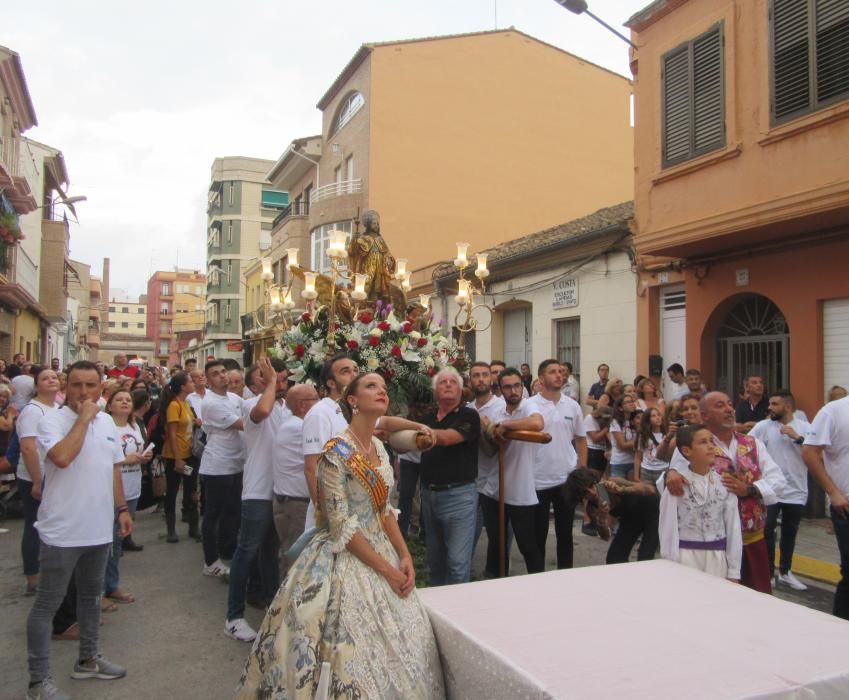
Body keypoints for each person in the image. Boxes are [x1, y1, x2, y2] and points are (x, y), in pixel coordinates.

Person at [237, 372, 445, 698]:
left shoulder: (377, 446)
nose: (382, 392)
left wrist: (403, 555)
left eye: (384, 388)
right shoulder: (335, 452)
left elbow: (385, 511)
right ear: (352, 400)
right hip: (347, 556)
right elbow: (342, 527)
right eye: (371, 386)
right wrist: (388, 570)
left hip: (384, 551)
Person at [26, 361, 131, 700]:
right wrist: (84, 419)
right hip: (63, 531)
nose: (83, 392)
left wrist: (122, 509)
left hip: (99, 529)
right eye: (76, 385)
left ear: (101, 387)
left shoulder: (105, 422)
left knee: (90, 598)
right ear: (64, 387)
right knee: (47, 605)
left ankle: (88, 659)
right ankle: (38, 682)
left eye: (90, 385)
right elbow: (61, 457)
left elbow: (114, 465)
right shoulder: (51, 421)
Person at [666, 392, 786, 593]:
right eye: (720, 405)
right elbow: (674, 480)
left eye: (730, 404)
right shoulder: (695, 445)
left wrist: (749, 489)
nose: (729, 409)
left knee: (757, 598)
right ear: (705, 416)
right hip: (715, 546)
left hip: (751, 539)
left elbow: (779, 481)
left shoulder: (753, 444)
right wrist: (671, 473)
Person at [225, 358, 288, 643]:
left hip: (278, 491)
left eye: (279, 376)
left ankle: (273, 605)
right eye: (268, 377)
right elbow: (263, 410)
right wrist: (272, 383)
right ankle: (234, 617)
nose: (277, 379)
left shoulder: (284, 408)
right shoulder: (252, 404)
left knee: (269, 554)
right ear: (254, 385)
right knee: (246, 552)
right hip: (257, 492)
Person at [481, 368, 545, 575]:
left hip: (520, 490)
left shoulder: (529, 405)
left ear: (522, 387)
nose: (513, 390)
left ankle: (538, 585)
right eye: (507, 387)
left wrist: (505, 426)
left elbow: (537, 423)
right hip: (494, 489)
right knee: (496, 543)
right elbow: (491, 449)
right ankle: (496, 583)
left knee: (527, 544)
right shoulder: (495, 411)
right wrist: (491, 430)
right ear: (500, 389)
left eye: (517, 385)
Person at [420, 367, 480, 585]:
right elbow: (403, 447)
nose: (447, 384)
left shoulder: (469, 416)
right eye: (442, 382)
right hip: (429, 495)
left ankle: (459, 610)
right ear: (435, 391)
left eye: (452, 382)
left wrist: (413, 433)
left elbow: (447, 438)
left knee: (457, 564)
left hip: (459, 497)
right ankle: (437, 613)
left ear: (461, 390)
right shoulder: (427, 418)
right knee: (435, 562)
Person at [658, 424, 742, 581]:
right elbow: (667, 528)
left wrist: (734, 571)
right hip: (685, 557)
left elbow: (733, 527)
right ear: (687, 451)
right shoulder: (676, 484)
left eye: (711, 441)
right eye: (703, 442)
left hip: (717, 558)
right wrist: (669, 563)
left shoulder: (725, 484)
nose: (711, 446)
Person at [525, 359, 587, 570]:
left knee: (565, 534)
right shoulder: (530, 405)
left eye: (561, 372)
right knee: (538, 535)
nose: (559, 375)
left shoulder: (573, 405)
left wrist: (582, 471)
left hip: (565, 479)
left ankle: (565, 576)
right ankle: (537, 577)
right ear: (541, 379)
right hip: (538, 479)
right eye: (553, 372)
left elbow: (580, 439)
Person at [749, 390, 810, 591]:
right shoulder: (763, 426)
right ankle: (769, 572)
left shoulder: (805, 427)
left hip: (797, 489)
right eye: (770, 404)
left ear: (788, 406)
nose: (769, 408)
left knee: (790, 533)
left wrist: (798, 438)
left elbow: (816, 454)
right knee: (767, 531)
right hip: (771, 489)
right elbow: (747, 447)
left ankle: (786, 572)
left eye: (774, 404)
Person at [803, 394, 849, 619]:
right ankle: (841, 627)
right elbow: (810, 452)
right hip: (846, 505)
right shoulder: (834, 411)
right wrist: (833, 492)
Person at [103, 389, 150, 605]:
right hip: (111, 488)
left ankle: (110, 584)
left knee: (118, 540)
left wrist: (143, 457)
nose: (124, 403)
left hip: (132, 487)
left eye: (127, 400)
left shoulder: (134, 426)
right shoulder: (105, 425)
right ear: (109, 404)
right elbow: (104, 459)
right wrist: (126, 459)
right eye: (119, 399)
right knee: (108, 541)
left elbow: (138, 451)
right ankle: (104, 589)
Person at [303, 352, 358, 530]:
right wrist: (324, 514)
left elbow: (384, 424)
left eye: (355, 370)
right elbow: (312, 467)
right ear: (331, 383)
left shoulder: (353, 410)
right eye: (345, 371)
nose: (354, 375)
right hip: (332, 510)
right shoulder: (320, 413)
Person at [200, 360, 245, 576]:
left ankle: (228, 550)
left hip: (236, 462)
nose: (222, 376)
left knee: (233, 511)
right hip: (217, 465)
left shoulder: (235, 398)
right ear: (208, 381)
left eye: (224, 372)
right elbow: (244, 424)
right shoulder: (210, 403)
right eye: (216, 374)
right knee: (213, 515)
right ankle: (210, 562)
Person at [17, 369, 58, 595]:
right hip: (35, 475)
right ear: (36, 386)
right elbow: (28, 447)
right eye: (45, 378)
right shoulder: (33, 411)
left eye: (54, 377)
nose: (51, 380)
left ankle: (46, 570)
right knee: (34, 526)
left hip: (51, 475)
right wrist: (36, 481)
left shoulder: (54, 408)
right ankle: (32, 578)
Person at [272, 383, 319, 581]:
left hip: (289, 501)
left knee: (291, 555)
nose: (319, 403)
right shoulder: (301, 427)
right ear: (302, 405)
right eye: (315, 399)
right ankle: (287, 608)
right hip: (297, 504)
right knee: (298, 561)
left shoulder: (291, 423)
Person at [564, 467, 660, 564]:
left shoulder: (610, 483)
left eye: (591, 485)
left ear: (595, 481)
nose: (592, 492)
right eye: (586, 493)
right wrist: (602, 520)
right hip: (630, 520)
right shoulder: (592, 508)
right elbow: (606, 537)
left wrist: (621, 490)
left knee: (645, 558)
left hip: (653, 513)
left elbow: (651, 490)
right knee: (614, 558)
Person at [466, 361, 506, 576]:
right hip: (472, 479)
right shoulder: (468, 408)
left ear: (492, 379)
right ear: (470, 380)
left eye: (484, 375)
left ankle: (497, 574)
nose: (480, 379)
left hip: (495, 480)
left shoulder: (501, 407)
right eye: (476, 375)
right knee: (468, 531)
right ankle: (464, 572)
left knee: (497, 534)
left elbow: (494, 448)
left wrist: (483, 428)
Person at [160, 371, 199, 544]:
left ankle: (193, 527)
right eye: (190, 381)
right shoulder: (174, 406)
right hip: (175, 457)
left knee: (192, 490)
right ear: (183, 386)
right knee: (172, 491)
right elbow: (172, 434)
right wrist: (177, 459)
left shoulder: (187, 404)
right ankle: (171, 530)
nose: (193, 383)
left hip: (189, 455)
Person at [634, 407, 671, 486]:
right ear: (648, 420)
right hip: (646, 471)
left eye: (658, 415)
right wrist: (636, 476)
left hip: (663, 470)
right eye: (653, 416)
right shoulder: (643, 435)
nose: (658, 418)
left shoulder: (666, 434)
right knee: (648, 497)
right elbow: (638, 456)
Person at [609, 395, 638, 479]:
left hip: (633, 461)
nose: (631, 404)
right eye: (627, 402)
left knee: (632, 490)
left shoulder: (635, 420)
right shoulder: (615, 422)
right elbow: (622, 445)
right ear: (620, 408)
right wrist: (638, 441)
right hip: (619, 462)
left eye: (632, 401)